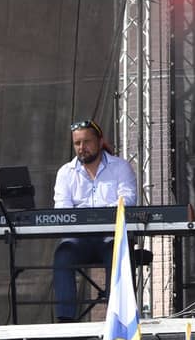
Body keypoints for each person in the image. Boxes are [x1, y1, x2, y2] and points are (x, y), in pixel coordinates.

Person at [52, 119, 138, 321]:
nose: (82, 147)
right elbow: (62, 209)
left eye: (87, 142)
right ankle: (65, 320)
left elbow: (127, 200)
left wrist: (92, 215)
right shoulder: (65, 172)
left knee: (116, 252)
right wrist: (97, 214)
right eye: (77, 143)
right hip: (78, 239)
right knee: (63, 254)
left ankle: (118, 320)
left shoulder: (120, 167)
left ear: (100, 141)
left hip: (110, 237)